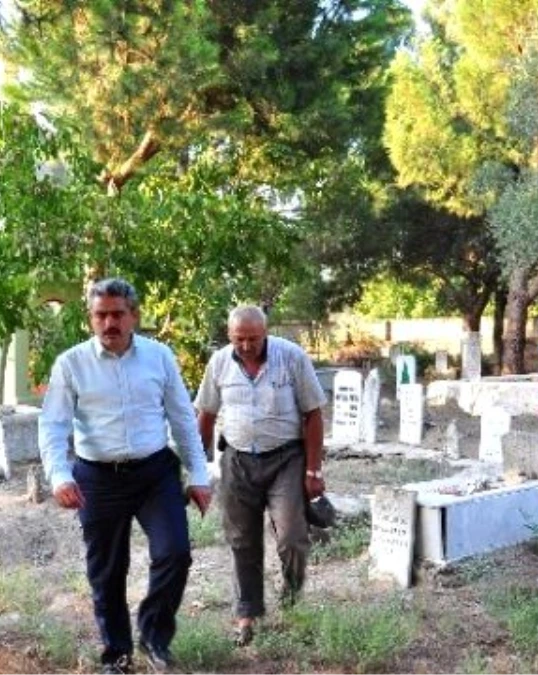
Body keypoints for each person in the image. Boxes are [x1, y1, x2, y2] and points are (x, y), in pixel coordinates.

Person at [38, 278, 212, 675]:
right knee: (107, 571)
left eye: (118, 314)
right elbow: (52, 425)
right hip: (97, 478)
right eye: (101, 315)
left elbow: (183, 418)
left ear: (134, 316)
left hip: (154, 473)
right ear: (91, 318)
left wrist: (199, 474)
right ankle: (117, 654)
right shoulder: (71, 363)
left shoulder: (159, 357)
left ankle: (154, 636)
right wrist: (59, 477)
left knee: (175, 554)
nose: (109, 322)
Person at [194, 305, 327, 648]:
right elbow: (206, 414)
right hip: (237, 461)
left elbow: (313, 414)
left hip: (286, 460)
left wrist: (314, 470)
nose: (247, 345)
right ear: (230, 336)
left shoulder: (292, 357)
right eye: (240, 339)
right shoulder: (220, 362)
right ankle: (247, 614)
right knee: (242, 541)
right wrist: (197, 468)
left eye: (254, 338)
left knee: (293, 538)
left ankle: (291, 594)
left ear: (265, 334)